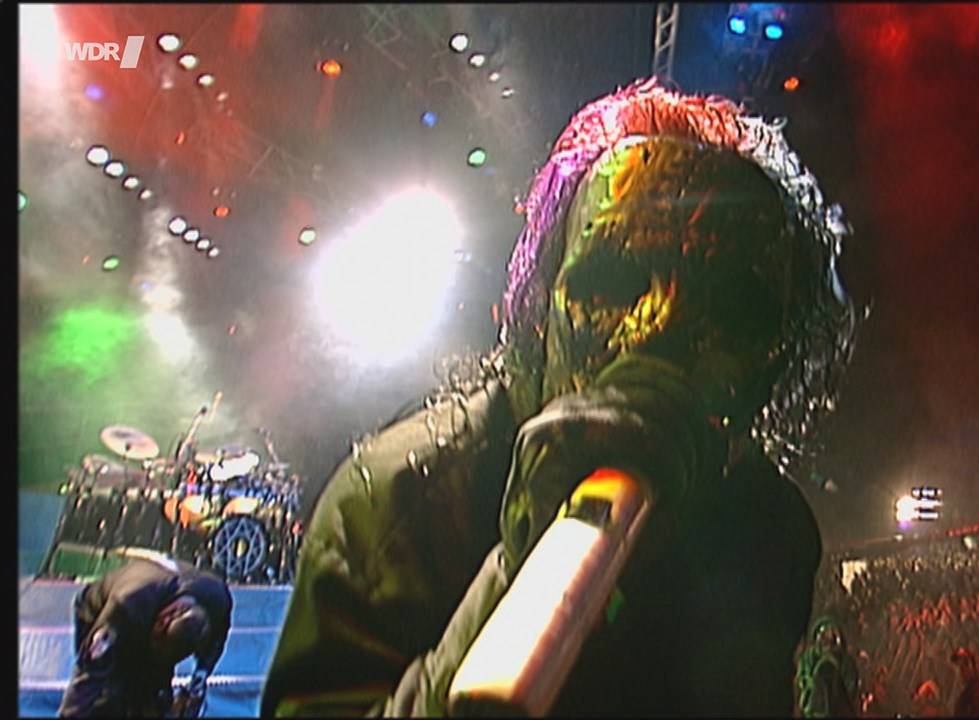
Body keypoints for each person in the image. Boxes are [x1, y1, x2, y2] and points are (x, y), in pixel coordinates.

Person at [262, 77, 862, 716]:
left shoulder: (767, 528)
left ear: (777, 354)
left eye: (725, 307)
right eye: (613, 284)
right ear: (541, 310)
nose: (654, 335)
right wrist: (521, 570)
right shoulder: (399, 504)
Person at [57, 558, 232, 717]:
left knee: (155, 694)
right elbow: (90, 673)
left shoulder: (217, 602)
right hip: (101, 610)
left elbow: (215, 643)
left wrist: (199, 678)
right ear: (163, 620)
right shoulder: (127, 606)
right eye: (156, 644)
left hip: (155, 603)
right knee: (109, 694)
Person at [795, 617, 860, 717]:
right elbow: (802, 679)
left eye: (830, 636)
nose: (827, 640)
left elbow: (850, 686)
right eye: (823, 636)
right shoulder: (809, 658)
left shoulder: (846, 661)